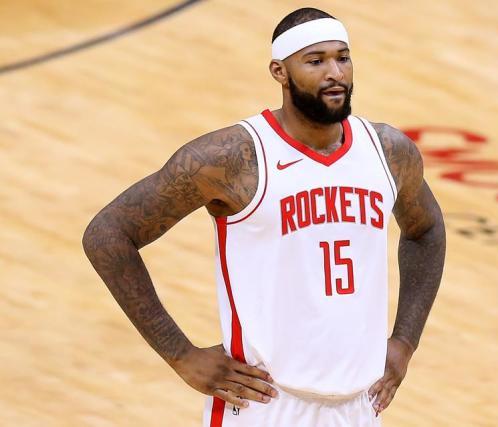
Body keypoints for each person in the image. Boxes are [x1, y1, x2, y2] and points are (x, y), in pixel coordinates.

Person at [82, 7, 445, 427]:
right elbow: (108, 234)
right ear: (280, 72)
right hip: (264, 405)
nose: (335, 73)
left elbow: (426, 230)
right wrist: (180, 354)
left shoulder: (388, 151)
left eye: (342, 58)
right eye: (315, 61)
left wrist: (405, 341)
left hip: (360, 407)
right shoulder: (231, 159)